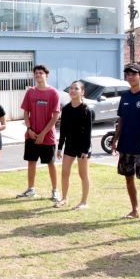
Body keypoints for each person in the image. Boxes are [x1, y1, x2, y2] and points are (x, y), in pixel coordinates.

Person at [112, 63, 140, 224]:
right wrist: (115, 140)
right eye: (128, 74)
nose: (130, 77)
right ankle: (134, 210)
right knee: (128, 178)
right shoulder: (124, 97)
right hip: (125, 145)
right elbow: (121, 120)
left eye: (133, 74)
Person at [16, 65, 61, 203]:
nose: (38, 75)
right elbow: (26, 113)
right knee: (31, 162)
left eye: (41, 73)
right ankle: (31, 189)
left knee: (51, 163)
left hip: (47, 136)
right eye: (36, 73)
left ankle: (55, 191)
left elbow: (55, 116)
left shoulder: (53, 93)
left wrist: (43, 134)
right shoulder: (30, 92)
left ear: (46, 75)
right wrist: (29, 129)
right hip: (31, 135)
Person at [55, 80, 92, 209]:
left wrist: (85, 150)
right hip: (70, 146)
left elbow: (88, 132)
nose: (73, 90)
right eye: (71, 88)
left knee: (83, 174)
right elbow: (63, 130)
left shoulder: (86, 109)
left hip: (83, 147)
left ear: (82, 92)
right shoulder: (66, 109)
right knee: (64, 172)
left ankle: (84, 202)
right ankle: (64, 198)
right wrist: (60, 147)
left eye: (76, 88)